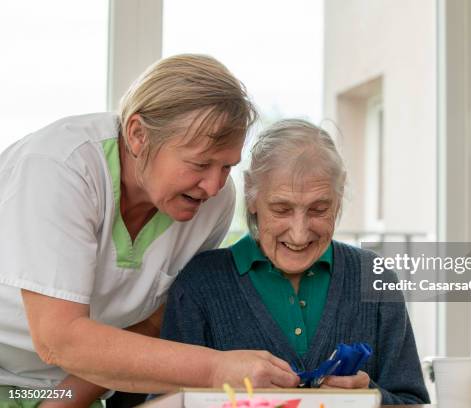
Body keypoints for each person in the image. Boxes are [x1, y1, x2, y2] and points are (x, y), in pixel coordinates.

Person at [0, 54, 299, 407]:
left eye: (227, 166)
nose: (214, 185)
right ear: (138, 135)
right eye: (201, 163)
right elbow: (59, 338)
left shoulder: (213, 203)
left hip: (68, 384)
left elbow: (154, 318)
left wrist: (61, 401)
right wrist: (216, 369)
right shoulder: (60, 168)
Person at [160, 119, 430, 405]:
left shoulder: (375, 278)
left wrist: (370, 399)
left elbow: (412, 401)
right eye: (281, 209)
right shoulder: (200, 283)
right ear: (252, 195)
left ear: (338, 199)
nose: (299, 234)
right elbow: (165, 401)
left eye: (318, 209)